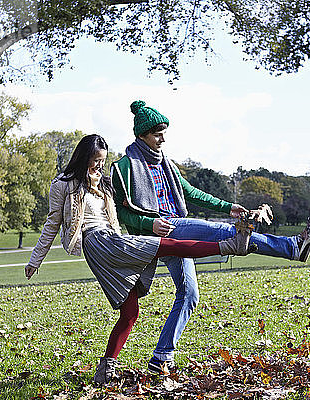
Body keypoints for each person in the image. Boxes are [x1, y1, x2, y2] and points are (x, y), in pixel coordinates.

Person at [25, 134, 255, 385]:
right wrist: (35, 260)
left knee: (131, 312)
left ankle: (104, 371)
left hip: (112, 239)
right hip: (97, 243)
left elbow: (125, 210)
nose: (99, 166)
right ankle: (228, 246)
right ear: (83, 158)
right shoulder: (64, 184)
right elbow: (51, 223)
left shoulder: (104, 183)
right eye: (95, 161)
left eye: (102, 161)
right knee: (166, 244)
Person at [111, 100, 310, 373]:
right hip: (166, 231)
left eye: (164, 132)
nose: (163, 138)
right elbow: (119, 213)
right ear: (142, 135)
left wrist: (227, 206)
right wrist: (149, 224)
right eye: (157, 133)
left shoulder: (166, 165)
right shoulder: (124, 167)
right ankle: (293, 247)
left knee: (189, 294)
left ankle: (161, 357)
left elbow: (192, 193)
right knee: (228, 233)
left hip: (178, 228)